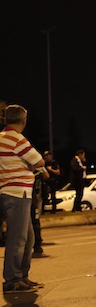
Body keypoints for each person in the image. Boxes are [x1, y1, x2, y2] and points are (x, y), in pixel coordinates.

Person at [0, 104, 46, 293]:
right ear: (23, 120)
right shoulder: (17, 139)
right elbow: (39, 161)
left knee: (27, 237)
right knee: (19, 238)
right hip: (17, 193)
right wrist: (29, 166)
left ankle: (22, 276)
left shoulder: (2, 138)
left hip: (10, 192)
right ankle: (13, 280)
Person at [31, 165, 50, 258]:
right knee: (34, 221)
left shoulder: (37, 167)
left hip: (32, 196)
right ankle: (36, 245)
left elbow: (46, 176)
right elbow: (46, 176)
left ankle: (37, 245)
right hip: (30, 196)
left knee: (34, 221)